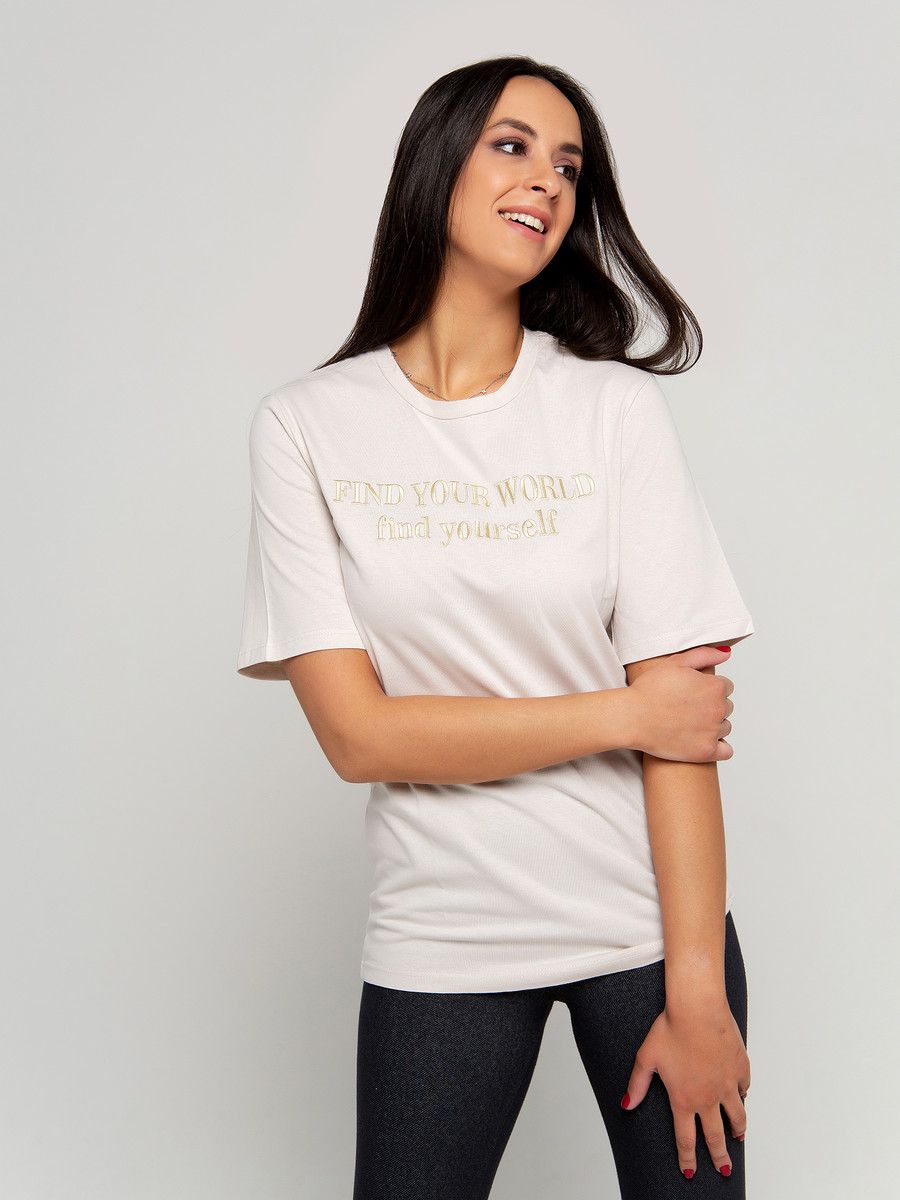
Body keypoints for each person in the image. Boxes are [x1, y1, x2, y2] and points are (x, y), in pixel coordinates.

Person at [237, 55, 754, 1200]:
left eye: (569, 165)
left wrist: (700, 991)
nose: (548, 182)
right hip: (444, 932)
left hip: (649, 934)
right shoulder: (307, 428)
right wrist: (625, 713)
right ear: (437, 167)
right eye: (513, 146)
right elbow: (359, 738)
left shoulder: (614, 409)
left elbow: (684, 735)